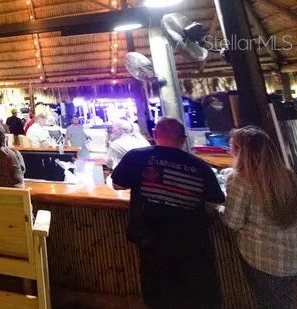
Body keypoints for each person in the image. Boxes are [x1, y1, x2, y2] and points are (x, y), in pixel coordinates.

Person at [112, 118, 225, 309]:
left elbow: (117, 184)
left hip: (151, 240)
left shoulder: (138, 157)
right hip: (192, 243)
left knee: (159, 297)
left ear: (154, 135)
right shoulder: (201, 166)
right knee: (195, 296)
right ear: (183, 139)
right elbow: (216, 199)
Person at [222, 125, 297, 309]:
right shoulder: (288, 176)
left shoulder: (240, 179)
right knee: (284, 302)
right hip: (291, 258)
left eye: (231, 146)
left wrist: (217, 208)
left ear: (240, 151)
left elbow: (232, 222)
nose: (229, 151)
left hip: (261, 258)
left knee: (268, 302)